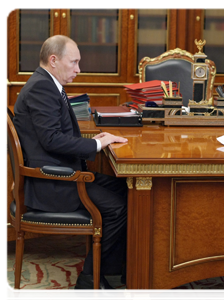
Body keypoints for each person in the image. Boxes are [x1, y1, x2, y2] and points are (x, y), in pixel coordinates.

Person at [13, 35, 128, 299]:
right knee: (117, 208)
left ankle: (120, 268)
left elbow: (53, 135)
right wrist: (96, 147)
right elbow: (52, 140)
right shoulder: (42, 88)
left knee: (124, 187)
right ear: (53, 60)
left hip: (62, 174)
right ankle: (90, 280)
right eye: (73, 62)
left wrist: (94, 141)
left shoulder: (47, 83)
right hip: (52, 182)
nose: (78, 69)